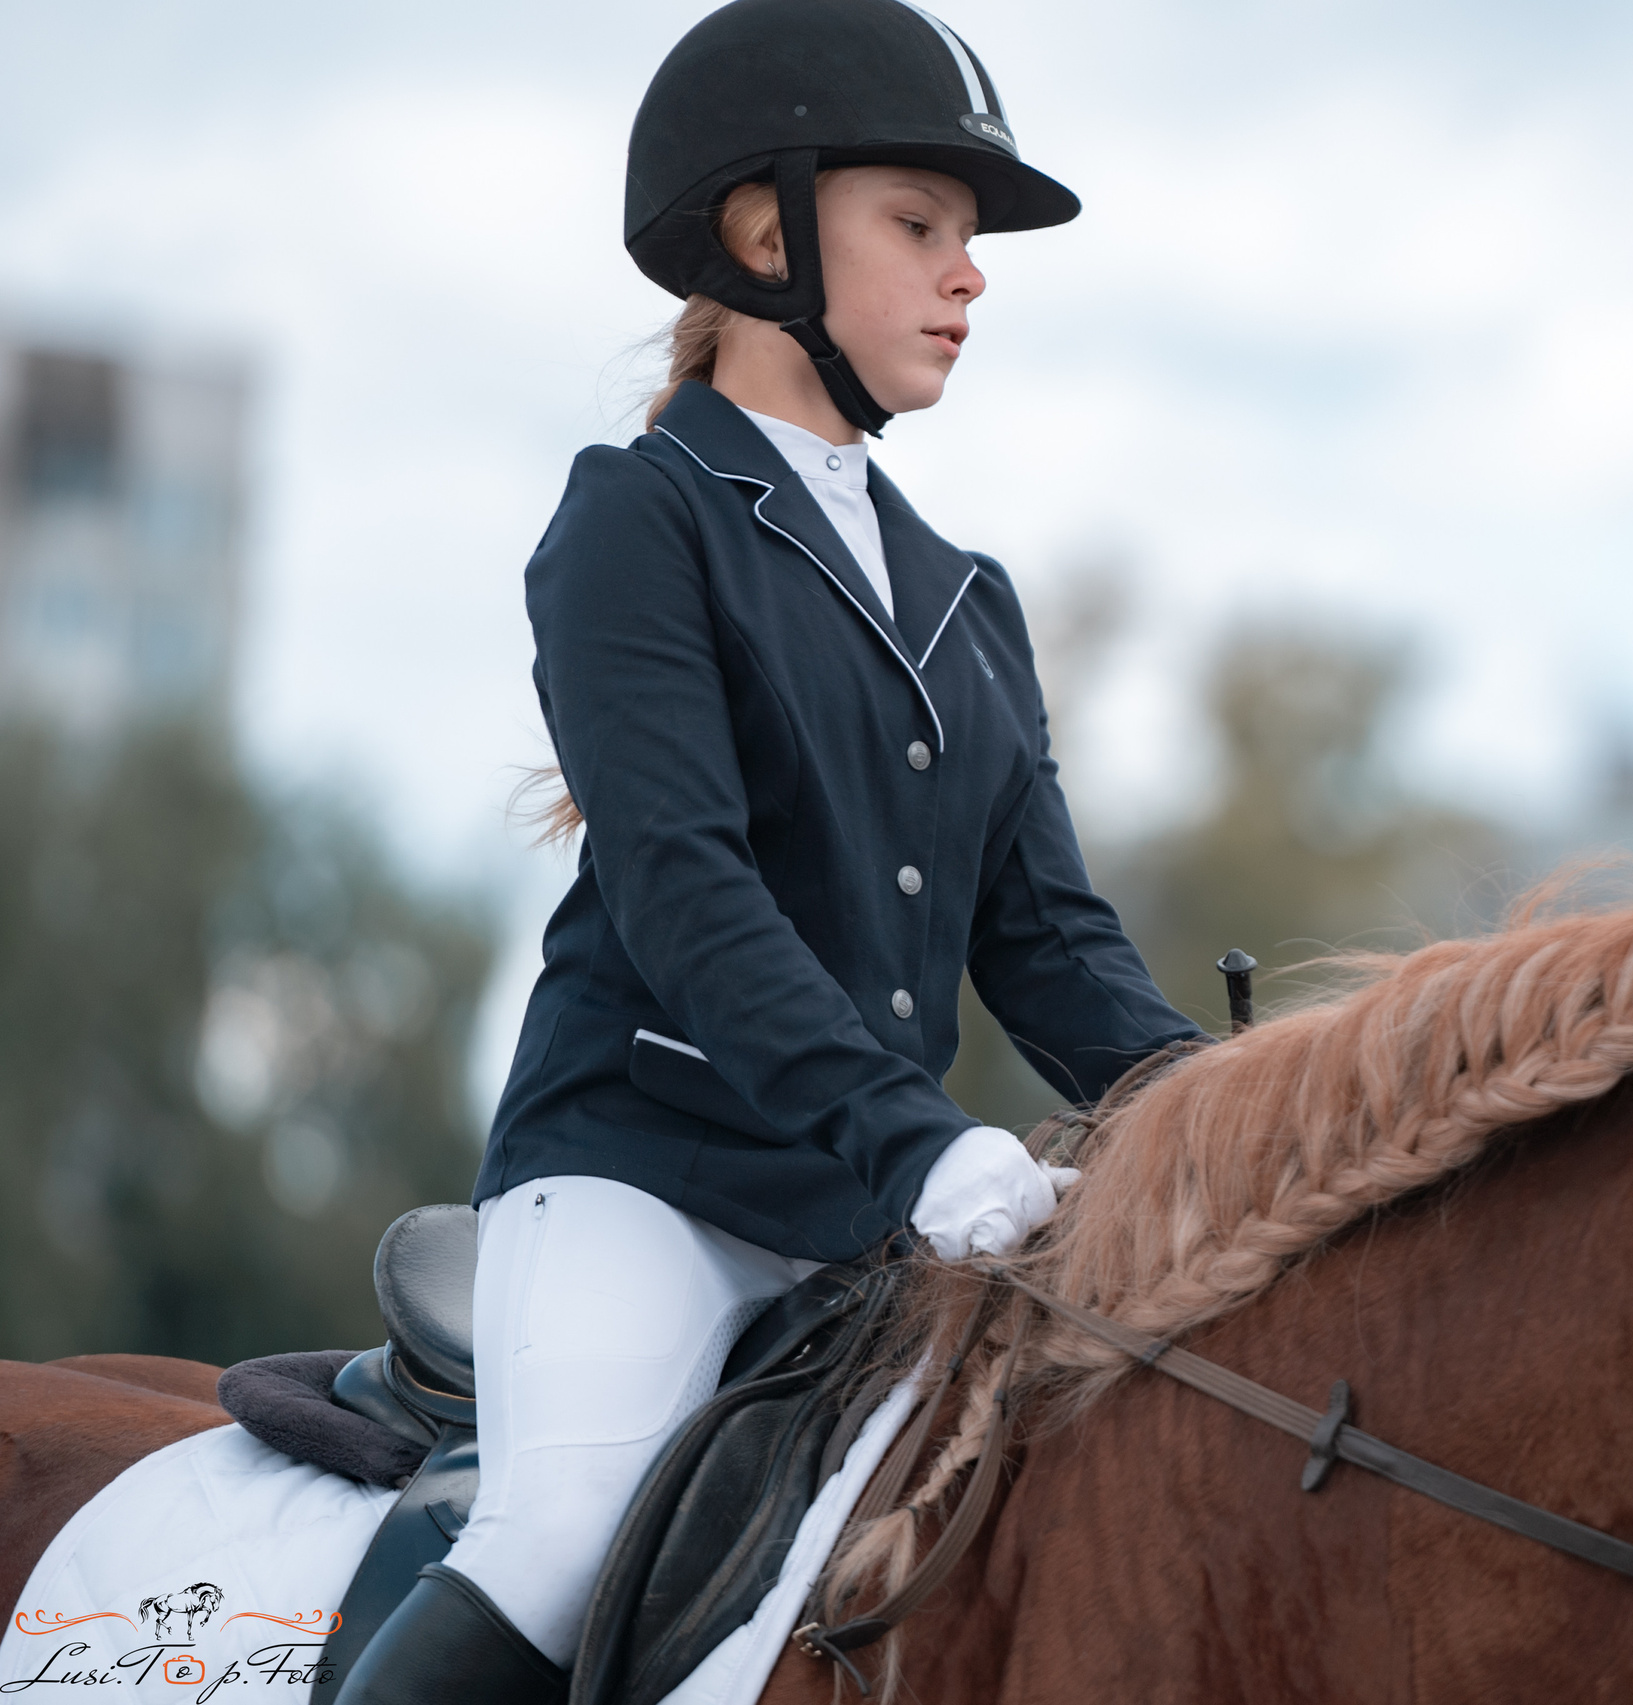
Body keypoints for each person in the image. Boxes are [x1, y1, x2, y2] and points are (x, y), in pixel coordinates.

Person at [332, 4, 1206, 1700]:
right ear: (766, 231)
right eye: (922, 226)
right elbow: (686, 892)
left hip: (879, 1224)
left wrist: (1227, 1132)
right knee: (565, 1537)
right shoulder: (639, 519)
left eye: (970, 243)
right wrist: (922, 1143)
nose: (971, 277)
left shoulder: (967, 597)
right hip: (648, 1178)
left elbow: (1052, 949)